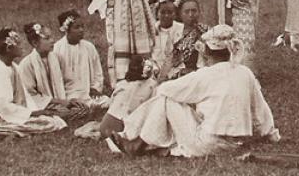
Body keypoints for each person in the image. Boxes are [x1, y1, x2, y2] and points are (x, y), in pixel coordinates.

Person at [113, 25, 280, 157]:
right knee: (177, 104)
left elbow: (165, 89)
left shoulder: (205, 75)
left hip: (208, 143)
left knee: (165, 99)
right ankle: (142, 141)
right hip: (237, 145)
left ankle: (134, 141)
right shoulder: (245, 73)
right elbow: (260, 110)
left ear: (206, 52)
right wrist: (271, 134)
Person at [0, 28, 67, 136]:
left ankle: (6, 130)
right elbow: (1, 106)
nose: (22, 47)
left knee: (53, 120)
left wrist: (35, 112)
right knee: (49, 123)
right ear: (9, 48)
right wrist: (33, 113)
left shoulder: (14, 67)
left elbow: (24, 96)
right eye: (19, 44)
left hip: (7, 114)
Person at [18, 23, 88, 121]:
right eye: (47, 38)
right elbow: (30, 95)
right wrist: (58, 102)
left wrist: (72, 99)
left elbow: (70, 82)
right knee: (56, 114)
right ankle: (54, 115)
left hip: (62, 101)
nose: (52, 41)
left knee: (83, 108)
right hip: (42, 106)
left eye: (51, 37)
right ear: (35, 43)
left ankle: (61, 115)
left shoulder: (58, 58)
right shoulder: (26, 64)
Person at [52, 10, 109, 107]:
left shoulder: (89, 47)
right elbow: (55, 80)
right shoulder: (56, 49)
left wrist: (95, 88)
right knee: (75, 107)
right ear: (67, 30)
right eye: (77, 27)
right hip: (68, 95)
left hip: (88, 93)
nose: (81, 30)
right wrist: (64, 99)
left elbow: (97, 73)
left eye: (82, 26)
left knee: (108, 102)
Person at [99, 56, 159, 139]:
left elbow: (111, 103)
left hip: (105, 125)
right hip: (124, 127)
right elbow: (153, 108)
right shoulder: (151, 85)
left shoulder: (122, 84)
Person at [166, 0, 209, 80]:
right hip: (176, 75)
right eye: (186, 11)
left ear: (199, 12)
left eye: (194, 11)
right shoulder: (173, 32)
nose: (191, 14)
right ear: (180, 14)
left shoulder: (205, 31)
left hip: (199, 75)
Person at [151, 0, 184, 80]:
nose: (166, 15)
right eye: (162, 12)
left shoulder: (182, 29)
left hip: (177, 73)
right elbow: (149, 55)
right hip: (155, 73)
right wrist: (155, 69)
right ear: (157, 14)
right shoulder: (151, 31)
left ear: (175, 14)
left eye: (170, 12)